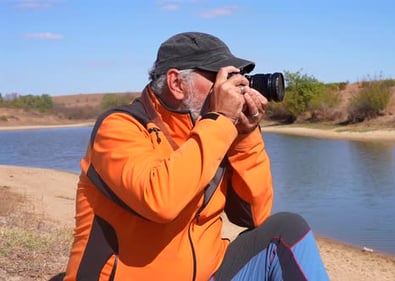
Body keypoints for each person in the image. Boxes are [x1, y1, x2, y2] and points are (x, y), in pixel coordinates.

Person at [63, 31, 329, 281]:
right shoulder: (119, 127)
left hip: (207, 272)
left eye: (238, 77)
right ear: (177, 83)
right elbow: (160, 201)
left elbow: (253, 216)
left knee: (286, 230)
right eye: (222, 78)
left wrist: (245, 137)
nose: (235, 87)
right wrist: (220, 119)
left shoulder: (214, 131)